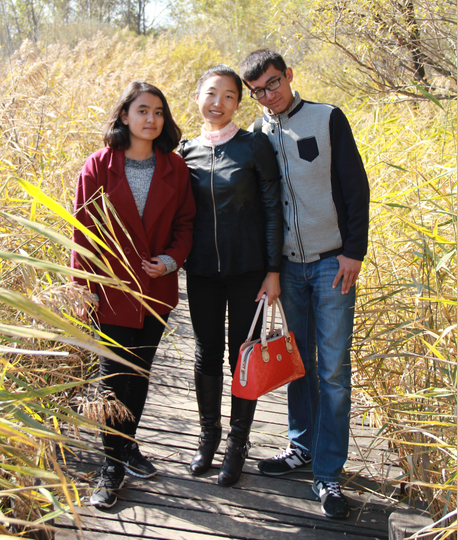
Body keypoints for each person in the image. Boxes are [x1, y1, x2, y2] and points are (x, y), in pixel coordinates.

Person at [240, 49, 370, 519]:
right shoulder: (255, 134)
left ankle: (328, 473)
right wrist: (268, 269)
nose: (268, 96)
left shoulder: (327, 118)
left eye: (273, 83)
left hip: (332, 263)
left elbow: (355, 187)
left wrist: (354, 251)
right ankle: (301, 447)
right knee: (298, 364)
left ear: (289, 75)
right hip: (288, 270)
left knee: (332, 370)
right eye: (257, 91)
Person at [71, 81, 196, 509]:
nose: (151, 119)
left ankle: (124, 448)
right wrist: (82, 288)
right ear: (125, 115)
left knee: (138, 374)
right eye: (143, 110)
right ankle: (111, 467)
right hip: (111, 290)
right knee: (111, 379)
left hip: (155, 289)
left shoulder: (174, 167)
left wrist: (171, 260)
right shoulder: (99, 165)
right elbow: (82, 231)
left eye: (159, 112)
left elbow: (186, 224)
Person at [178, 65, 283, 487]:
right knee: (206, 353)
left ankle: (238, 444)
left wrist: (273, 270)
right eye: (210, 93)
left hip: (248, 271)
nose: (217, 103)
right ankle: (208, 437)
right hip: (202, 271)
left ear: (238, 103)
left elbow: (273, 209)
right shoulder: (185, 152)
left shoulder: (254, 145)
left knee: (243, 355)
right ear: (197, 98)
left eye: (228, 96)